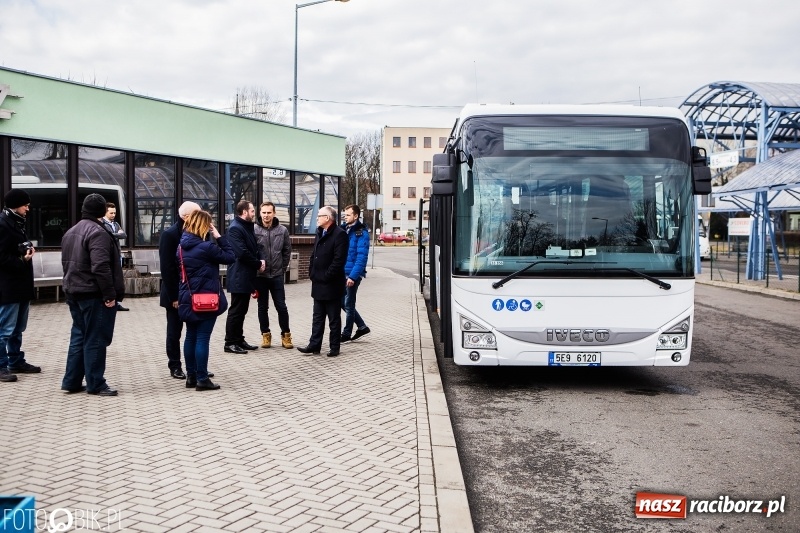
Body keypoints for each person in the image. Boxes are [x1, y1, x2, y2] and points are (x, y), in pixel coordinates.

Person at [60, 193, 125, 396]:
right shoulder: (98, 232)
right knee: (96, 338)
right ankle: (96, 383)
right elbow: (100, 266)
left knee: (79, 336)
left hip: (74, 291)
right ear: (101, 211)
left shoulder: (71, 232)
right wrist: (109, 295)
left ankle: (71, 381)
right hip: (93, 293)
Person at [177, 210, 235, 391]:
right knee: (202, 338)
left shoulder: (180, 247)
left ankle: (191, 377)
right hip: (206, 299)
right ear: (204, 226)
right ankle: (202, 379)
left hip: (187, 297)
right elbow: (230, 256)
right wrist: (218, 235)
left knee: (190, 337)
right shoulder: (206, 247)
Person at [0, 189, 41, 383]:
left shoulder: (16, 222)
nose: (28, 207)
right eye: (25, 204)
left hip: (21, 286)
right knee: (5, 329)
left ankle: (15, 360)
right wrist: (22, 259)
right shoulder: (3, 224)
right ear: (16, 204)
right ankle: (1, 366)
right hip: (8, 287)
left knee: (17, 328)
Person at [158, 201, 202, 380]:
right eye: (197, 214)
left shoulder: (200, 232)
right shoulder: (169, 235)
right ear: (186, 216)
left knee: (195, 331)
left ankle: (196, 367)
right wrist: (174, 296)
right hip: (176, 292)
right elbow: (167, 268)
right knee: (174, 332)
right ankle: (175, 366)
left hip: (194, 291)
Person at [297, 206, 348, 357]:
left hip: (331, 284)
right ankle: (314, 345)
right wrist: (311, 272)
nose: (317, 218)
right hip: (318, 283)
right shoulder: (320, 232)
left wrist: (326, 276)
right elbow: (314, 255)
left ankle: (334, 347)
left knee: (333, 318)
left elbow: (339, 261)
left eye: (319, 215)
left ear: (328, 218)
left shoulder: (340, 235)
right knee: (317, 318)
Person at [224, 200, 264, 354]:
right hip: (239, 275)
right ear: (244, 212)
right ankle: (230, 342)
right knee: (236, 310)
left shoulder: (246, 227)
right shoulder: (235, 228)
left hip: (246, 276)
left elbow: (255, 247)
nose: (254, 213)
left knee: (242, 310)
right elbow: (241, 252)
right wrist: (257, 263)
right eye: (252, 211)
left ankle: (239, 339)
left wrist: (260, 259)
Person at [254, 201, 293, 349]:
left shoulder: (282, 230)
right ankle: (265, 335)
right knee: (262, 307)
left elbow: (287, 251)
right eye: (263, 212)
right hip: (261, 276)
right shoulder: (254, 229)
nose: (266, 215)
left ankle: (286, 335)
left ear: (274, 213)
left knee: (281, 307)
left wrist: (282, 269)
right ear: (260, 213)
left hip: (277, 275)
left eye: (269, 212)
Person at [340, 204, 371, 343]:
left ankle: (346, 333)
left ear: (356, 216)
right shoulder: (343, 230)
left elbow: (361, 257)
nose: (345, 217)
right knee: (342, 302)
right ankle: (362, 326)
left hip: (353, 274)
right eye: (344, 215)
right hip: (342, 272)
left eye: (348, 215)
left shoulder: (361, 233)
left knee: (348, 303)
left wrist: (353, 276)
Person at [102, 202, 129, 311]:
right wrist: (117, 234)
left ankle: (117, 302)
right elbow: (106, 235)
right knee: (110, 278)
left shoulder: (116, 224)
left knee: (117, 279)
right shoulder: (102, 224)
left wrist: (114, 234)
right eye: (111, 213)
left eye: (114, 213)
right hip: (108, 254)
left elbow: (124, 235)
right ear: (105, 212)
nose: (113, 215)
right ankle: (109, 301)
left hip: (117, 254)